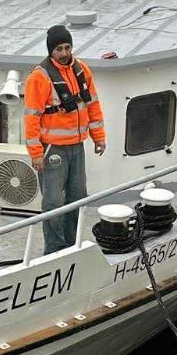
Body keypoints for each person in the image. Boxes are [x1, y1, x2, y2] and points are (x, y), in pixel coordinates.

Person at [24, 25, 105, 254]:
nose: (64, 53)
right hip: (53, 151)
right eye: (59, 48)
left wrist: (99, 138)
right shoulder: (39, 77)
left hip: (77, 147)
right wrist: (36, 154)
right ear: (51, 51)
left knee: (77, 197)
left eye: (67, 47)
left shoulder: (82, 70)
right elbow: (31, 118)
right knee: (52, 203)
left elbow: (93, 105)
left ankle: (72, 244)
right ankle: (54, 249)